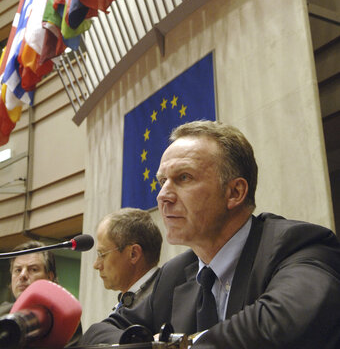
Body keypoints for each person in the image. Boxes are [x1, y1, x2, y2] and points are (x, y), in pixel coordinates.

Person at [80, 120, 340, 348]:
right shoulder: (174, 275)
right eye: (162, 181)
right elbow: (99, 332)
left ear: (235, 193)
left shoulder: (298, 245)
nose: (163, 196)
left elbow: (280, 323)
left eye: (183, 178)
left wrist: (178, 346)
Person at [0, 240, 82, 346]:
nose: (22, 275)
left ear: (50, 277)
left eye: (33, 269)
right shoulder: (2, 312)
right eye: (18, 270)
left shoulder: (64, 318)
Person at [93, 208, 163, 311]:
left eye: (102, 254)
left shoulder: (162, 301)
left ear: (133, 254)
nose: (96, 265)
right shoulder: (131, 300)